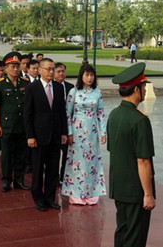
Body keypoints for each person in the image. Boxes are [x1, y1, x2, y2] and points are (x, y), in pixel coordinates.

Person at [107, 62, 156, 247]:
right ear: (137, 89)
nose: (145, 90)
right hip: (136, 189)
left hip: (119, 186)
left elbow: (113, 149)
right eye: (144, 86)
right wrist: (148, 194)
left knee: (123, 232)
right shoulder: (140, 120)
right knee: (135, 239)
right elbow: (143, 160)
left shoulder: (114, 114)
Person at [23, 57, 69, 212]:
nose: (51, 72)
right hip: (38, 136)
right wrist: (30, 135)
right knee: (37, 169)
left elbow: (61, 112)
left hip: (55, 136)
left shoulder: (57, 87)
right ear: (40, 70)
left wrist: (64, 132)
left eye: (52, 69)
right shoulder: (32, 88)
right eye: (48, 69)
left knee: (52, 169)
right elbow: (27, 114)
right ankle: (38, 198)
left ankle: (50, 198)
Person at [62, 64, 107, 205]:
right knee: (76, 163)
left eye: (92, 75)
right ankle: (76, 193)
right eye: (87, 75)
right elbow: (67, 114)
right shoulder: (73, 92)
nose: (89, 78)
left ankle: (91, 192)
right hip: (76, 132)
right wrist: (69, 132)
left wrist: (103, 132)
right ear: (81, 76)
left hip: (92, 133)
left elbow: (101, 113)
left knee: (91, 162)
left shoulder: (97, 93)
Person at [0, 52, 31, 193]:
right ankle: (6, 180)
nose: (15, 69)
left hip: (22, 126)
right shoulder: (0, 84)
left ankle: (19, 180)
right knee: (7, 155)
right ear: (6, 68)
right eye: (12, 66)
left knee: (21, 155)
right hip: (7, 126)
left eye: (17, 66)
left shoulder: (25, 83)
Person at [54, 62, 74, 185]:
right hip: (56, 125)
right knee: (55, 155)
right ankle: (54, 177)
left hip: (69, 125)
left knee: (68, 154)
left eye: (63, 71)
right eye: (59, 71)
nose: (61, 74)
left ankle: (64, 176)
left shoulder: (71, 87)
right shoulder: (52, 87)